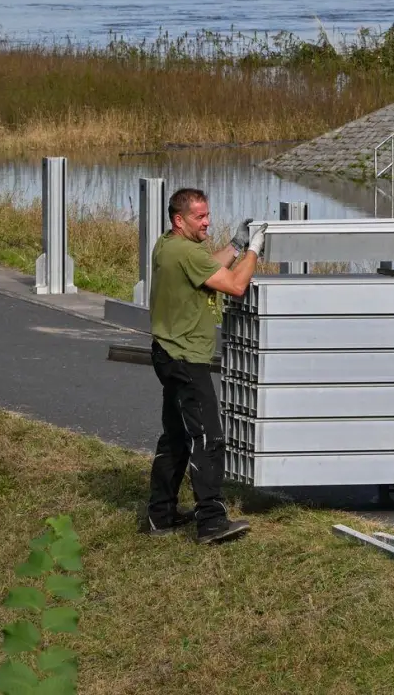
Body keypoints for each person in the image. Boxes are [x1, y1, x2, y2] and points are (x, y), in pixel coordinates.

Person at [144, 187, 262, 545]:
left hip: (166, 351)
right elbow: (236, 285)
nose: (207, 221)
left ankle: (159, 516)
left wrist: (236, 245)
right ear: (179, 220)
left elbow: (207, 265)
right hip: (186, 359)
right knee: (208, 438)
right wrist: (254, 250)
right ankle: (211, 522)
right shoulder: (185, 251)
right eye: (200, 217)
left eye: (208, 215)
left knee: (177, 438)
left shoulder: (167, 245)